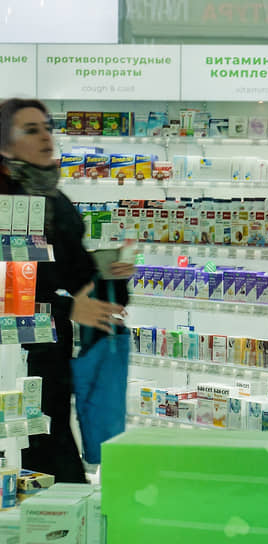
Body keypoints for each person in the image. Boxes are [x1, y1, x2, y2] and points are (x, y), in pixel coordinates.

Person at [0, 98, 133, 482]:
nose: (45, 136)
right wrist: (67, 310)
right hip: (13, 367)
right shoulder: (9, 204)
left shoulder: (56, 203)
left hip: (50, 366)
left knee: (53, 470)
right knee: (38, 471)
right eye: (30, 130)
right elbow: (11, 301)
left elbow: (79, 279)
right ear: (5, 145)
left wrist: (112, 277)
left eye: (46, 127)